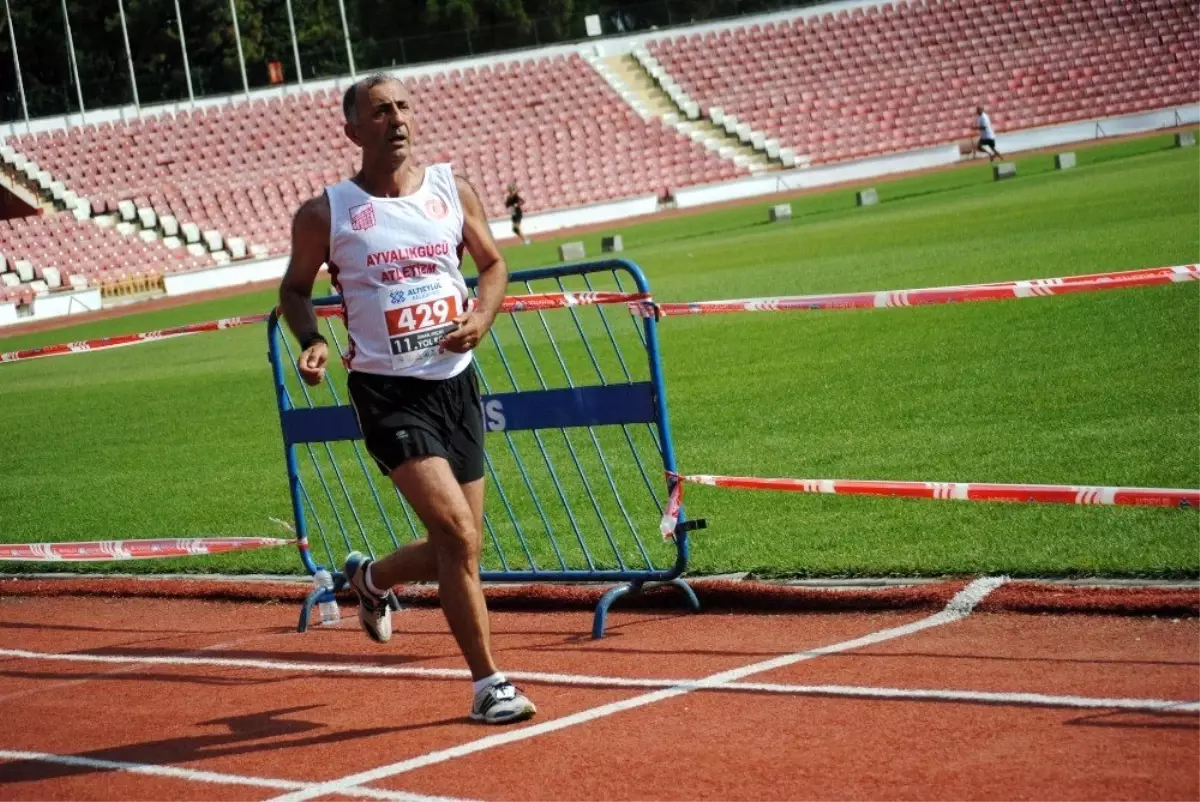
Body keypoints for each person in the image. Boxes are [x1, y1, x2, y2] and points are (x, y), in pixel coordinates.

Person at [278, 73, 536, 725]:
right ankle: (489, 684)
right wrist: (311, 340)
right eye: (380, 111)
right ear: (353, 131)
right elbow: (295, 291)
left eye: (402, 106)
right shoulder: (326, 213)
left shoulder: (453, 190)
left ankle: (371, 580)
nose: (396, 118)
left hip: (457, 383)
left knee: (461, 543)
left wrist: (482, 317)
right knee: (455, 530)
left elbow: (493, 265)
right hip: (388, 395)